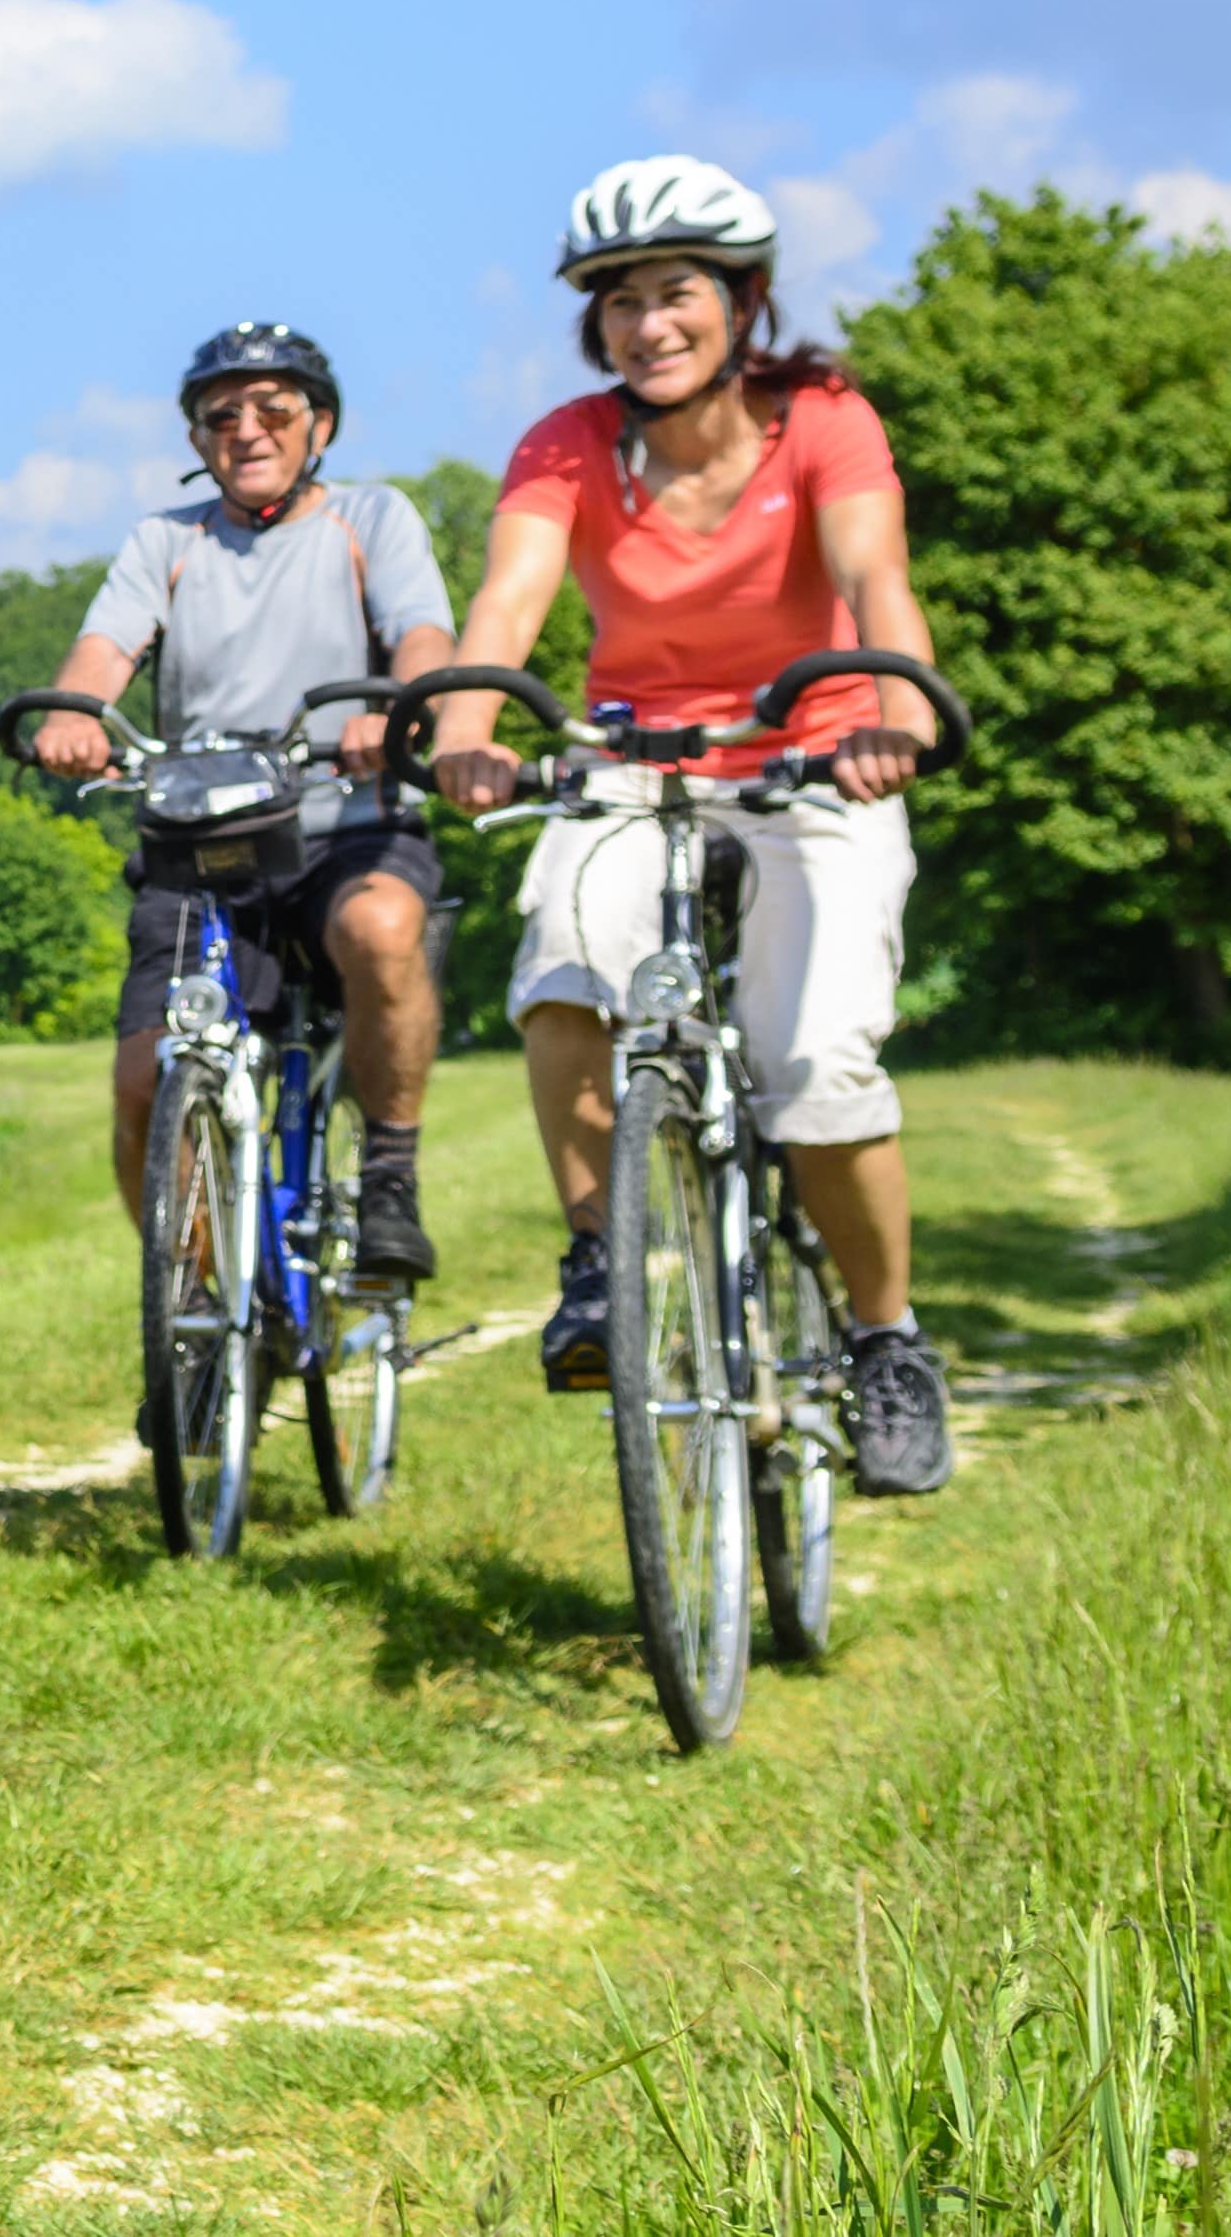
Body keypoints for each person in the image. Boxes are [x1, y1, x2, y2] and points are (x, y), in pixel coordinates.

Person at [424, 156, 956, 1495]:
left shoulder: (820, 416)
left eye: (675, 293)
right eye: (616, 301)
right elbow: (507, 601)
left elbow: (869, 569)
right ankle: (600, 1260)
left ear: (739, 301)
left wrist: (895, 700)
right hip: (632, 755)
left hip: (816, 759)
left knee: (811, 1060)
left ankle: (886, 1338)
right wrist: (467, 728)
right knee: (560, 960)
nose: (646, 324)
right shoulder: (566, 441)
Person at [25, 323, 460, 1282]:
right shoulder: (166, 541)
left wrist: (402, 711)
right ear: (196, 442)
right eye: (221, 417)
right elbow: (103, 654)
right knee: (144, 1082)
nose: (247, 431)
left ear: (321, 427)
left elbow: (421, 633)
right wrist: (76, 717)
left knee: (386, 929)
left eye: (275, 411)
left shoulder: (371, 519)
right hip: (202, 845)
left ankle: (389, 1176)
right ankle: (196, 1311)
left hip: (348, 824)